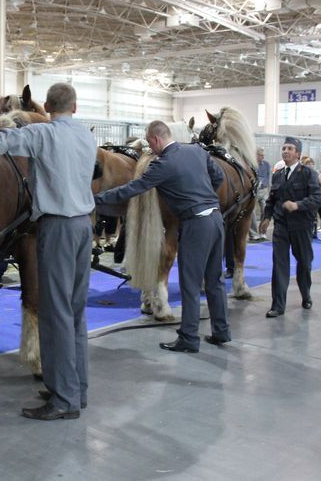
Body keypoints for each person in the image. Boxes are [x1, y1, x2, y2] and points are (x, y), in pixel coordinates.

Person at [0, 83, 95, 421]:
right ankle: (73, 388)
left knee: (55, 314)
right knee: (75, 312)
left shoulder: (42, 134)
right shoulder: (86, 136)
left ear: (49, 107)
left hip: (57, 229)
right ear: (75, 107)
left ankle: (64, 401)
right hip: (84, 227)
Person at [94, 120, 231, 353]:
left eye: (149, 143)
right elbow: (218, 177)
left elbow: (131, 189)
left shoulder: (162, 165)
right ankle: (221, 331)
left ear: (156, 139)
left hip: (195, 224)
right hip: (216, 220)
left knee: (189, 283)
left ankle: (188, 338)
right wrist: (203, 194)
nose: (149, 148)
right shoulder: (197, 150)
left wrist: (96, 200)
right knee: (215, 279)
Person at [259, 137, 321, 318]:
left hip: (301, 226)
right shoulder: (278, 174)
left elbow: (319, 198)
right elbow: (272, 200)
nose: (285, 151)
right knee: (279, 265)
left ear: (298, 154)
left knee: (304, 263)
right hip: (281, 226)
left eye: (290, 149)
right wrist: (266, 218)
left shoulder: (308, 174)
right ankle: (278, 305)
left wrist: (298, 205)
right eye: (284, 148)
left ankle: (306, 294)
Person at [249, 147, 271, 241]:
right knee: (252, 212)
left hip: (264, 190)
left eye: (263, 155)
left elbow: (267, 177)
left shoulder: (266, 165)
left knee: (265, 210)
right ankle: (253, 234)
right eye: (261, 155)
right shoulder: (251, 165)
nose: (263, 157)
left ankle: (262, 232)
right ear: (256, 156)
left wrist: (265, 185)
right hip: (253, 191)